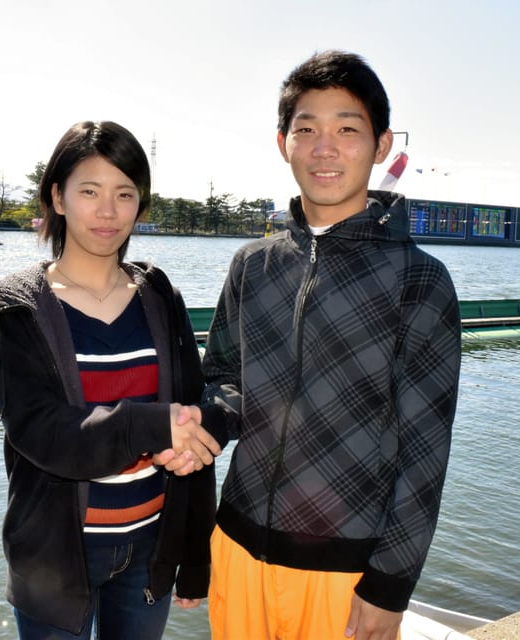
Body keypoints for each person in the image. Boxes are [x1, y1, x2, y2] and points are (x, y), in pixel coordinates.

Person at [199, 51, 462, 640]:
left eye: (347, 129)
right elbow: (223, 377)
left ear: (381, 144)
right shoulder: (252, 264)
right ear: (283, 143)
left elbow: (425, 449)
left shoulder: (420, 280)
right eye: (307, 130)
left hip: (345, 572)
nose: (325, 148)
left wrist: (389, 585)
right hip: (236, 545)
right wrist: (208, 423)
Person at [0, 120, 227, 640]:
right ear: (57, 198)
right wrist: (152, 425)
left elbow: (193, 409)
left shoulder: (159, 294)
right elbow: (41, 431)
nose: (108, 211)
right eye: (89, 191)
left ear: (140, 204)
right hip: (55, 558)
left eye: (124, 194)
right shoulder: (13, 309)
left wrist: (195, 556)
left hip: (149, 550)